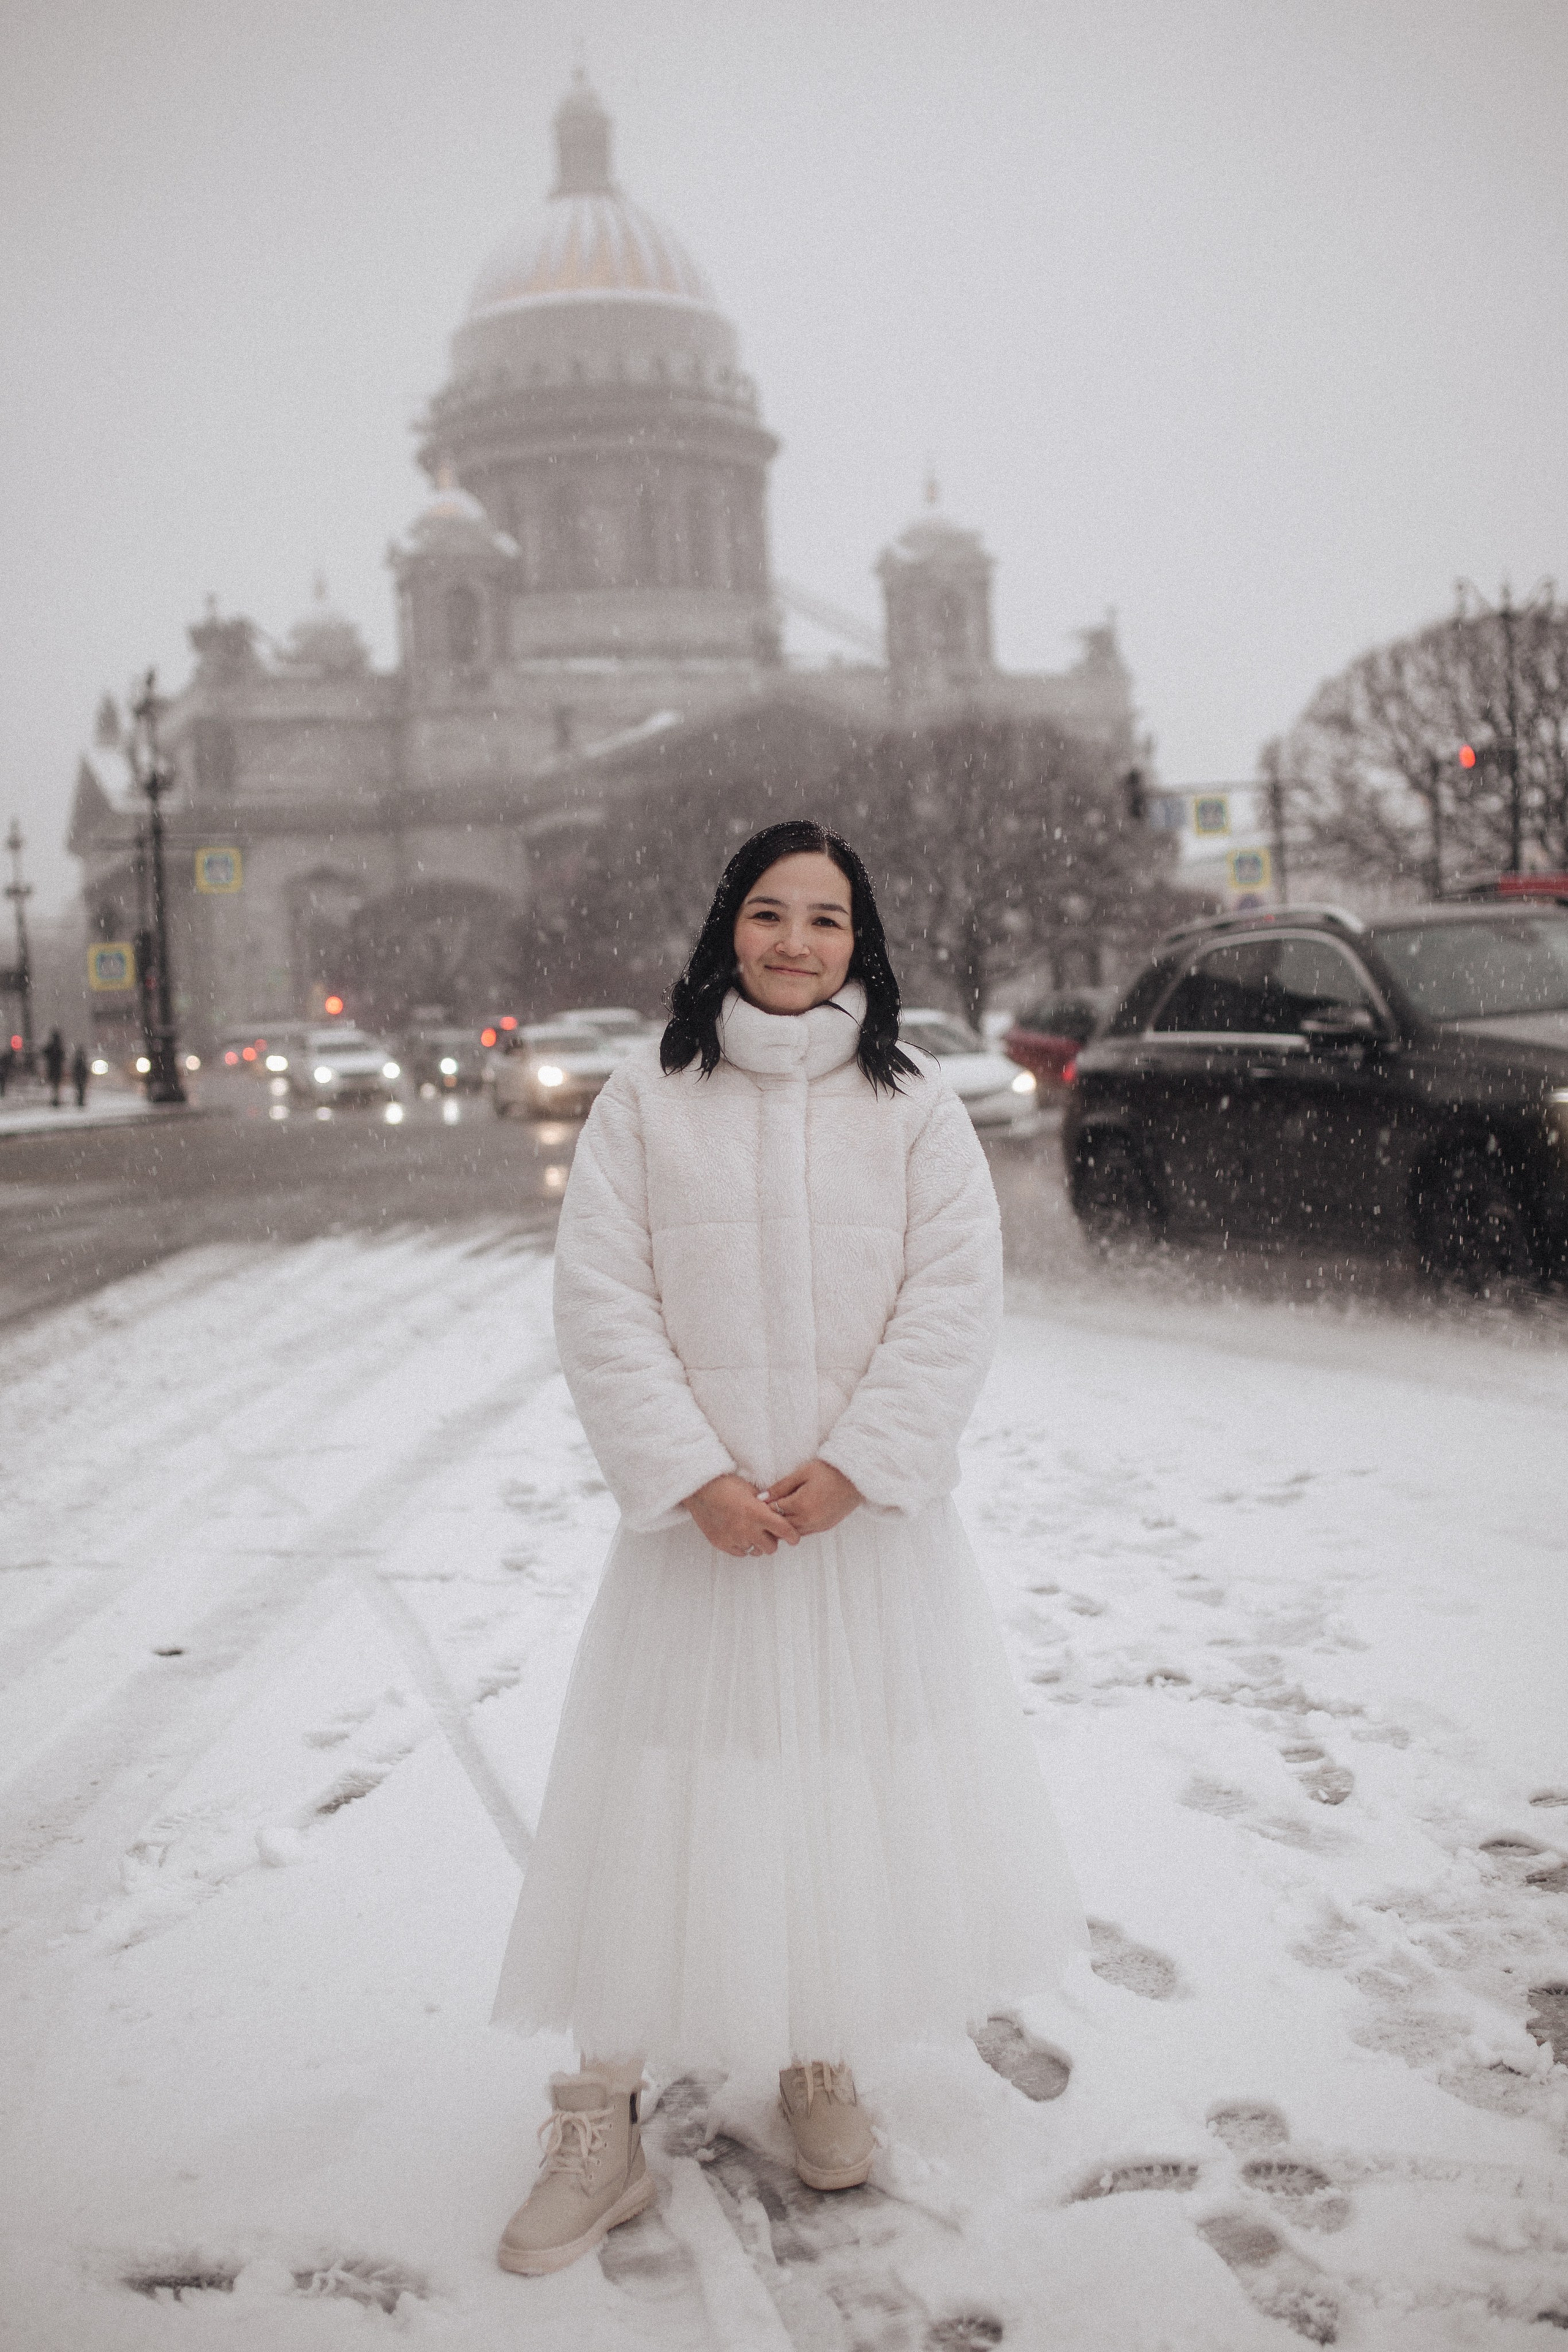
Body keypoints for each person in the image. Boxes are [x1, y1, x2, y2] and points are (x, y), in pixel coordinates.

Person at [492, 820, 1085, 2278]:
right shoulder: (650, 1093)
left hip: (853, 1530)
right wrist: (690, 1474)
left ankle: (820, 2050)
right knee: (652, 1794)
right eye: (768, 912)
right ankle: (599, 2117)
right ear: (728, 929)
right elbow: (601, 1299)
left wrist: (857, 1468)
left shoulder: (910, 1104)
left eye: (825, 918)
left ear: (858, 943)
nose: (795, 941)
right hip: (698, 1530)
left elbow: (952, 1299)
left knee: (836, 1774)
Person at [42, 1028, 65, 1109]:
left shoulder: (51, 1046)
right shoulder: (59, 1047)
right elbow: (63, 1057)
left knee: (54, 1086)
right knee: (56, 1086)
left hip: (52, 1069)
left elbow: (44, 1053)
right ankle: (56, 1100)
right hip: (57, 1069)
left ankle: (55, 1100)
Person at [71, 1044, 89, 1108]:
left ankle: (80, 1101)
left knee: (80, 1090)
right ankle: (80, 1101)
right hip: (81, 1076)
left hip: (79, 1077)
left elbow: (75, 1069)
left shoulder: (78, 1060)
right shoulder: (82, 1059)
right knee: (81, 1090)